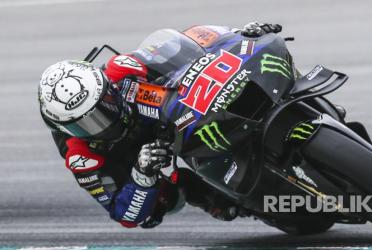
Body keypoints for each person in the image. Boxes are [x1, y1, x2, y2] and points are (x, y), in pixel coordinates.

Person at [37, 23, 282, 229]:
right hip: (133, 155)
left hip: (168, 115)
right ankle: (220, 200)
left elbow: (192, 41)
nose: (102, 122)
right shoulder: (81, 156)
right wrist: (142, 174)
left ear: (107, 87)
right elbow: (124, 215)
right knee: (164, 202)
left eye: (104, 106)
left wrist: (241, 34)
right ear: (66, 129)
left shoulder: (122, 69)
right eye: (85, 125)